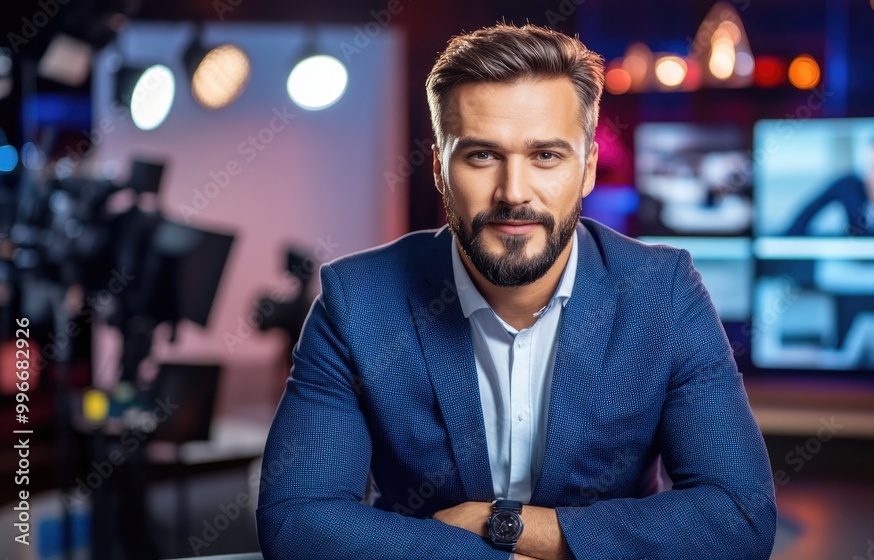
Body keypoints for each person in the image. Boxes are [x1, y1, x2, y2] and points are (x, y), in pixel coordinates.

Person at [256, 23, 775, 560]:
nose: (513, 193)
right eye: (481, 155)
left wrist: (506, 527)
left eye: (546, 155)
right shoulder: (356, 303)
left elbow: (739, 516)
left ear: (588, 169)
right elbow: (295, 522)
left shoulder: (663, 292)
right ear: (439, 169)